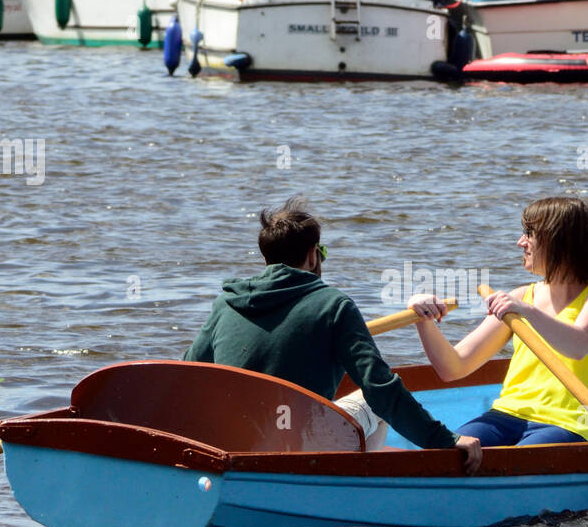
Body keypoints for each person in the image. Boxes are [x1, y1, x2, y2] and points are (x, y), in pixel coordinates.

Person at [184, 198, 482, 473]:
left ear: (267, 258)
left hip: (235, 441)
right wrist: (444, 440)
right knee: (370, 403)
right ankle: (351, 488)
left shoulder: (225, 304)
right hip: (298, 444)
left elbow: (189, 373)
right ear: (313, 256)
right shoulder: (333, 305)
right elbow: (381, 388)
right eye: (321, 252)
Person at [405, 197, 588, 446]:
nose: (520, 242)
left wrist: (526, 311)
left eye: (529, 234)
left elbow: (579, 345)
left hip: (571, 423)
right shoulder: (522, 297)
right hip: (506, 416)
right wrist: (422, 318)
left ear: (559, 240)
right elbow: (453, 367)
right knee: (447, 449)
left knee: (521, 458)